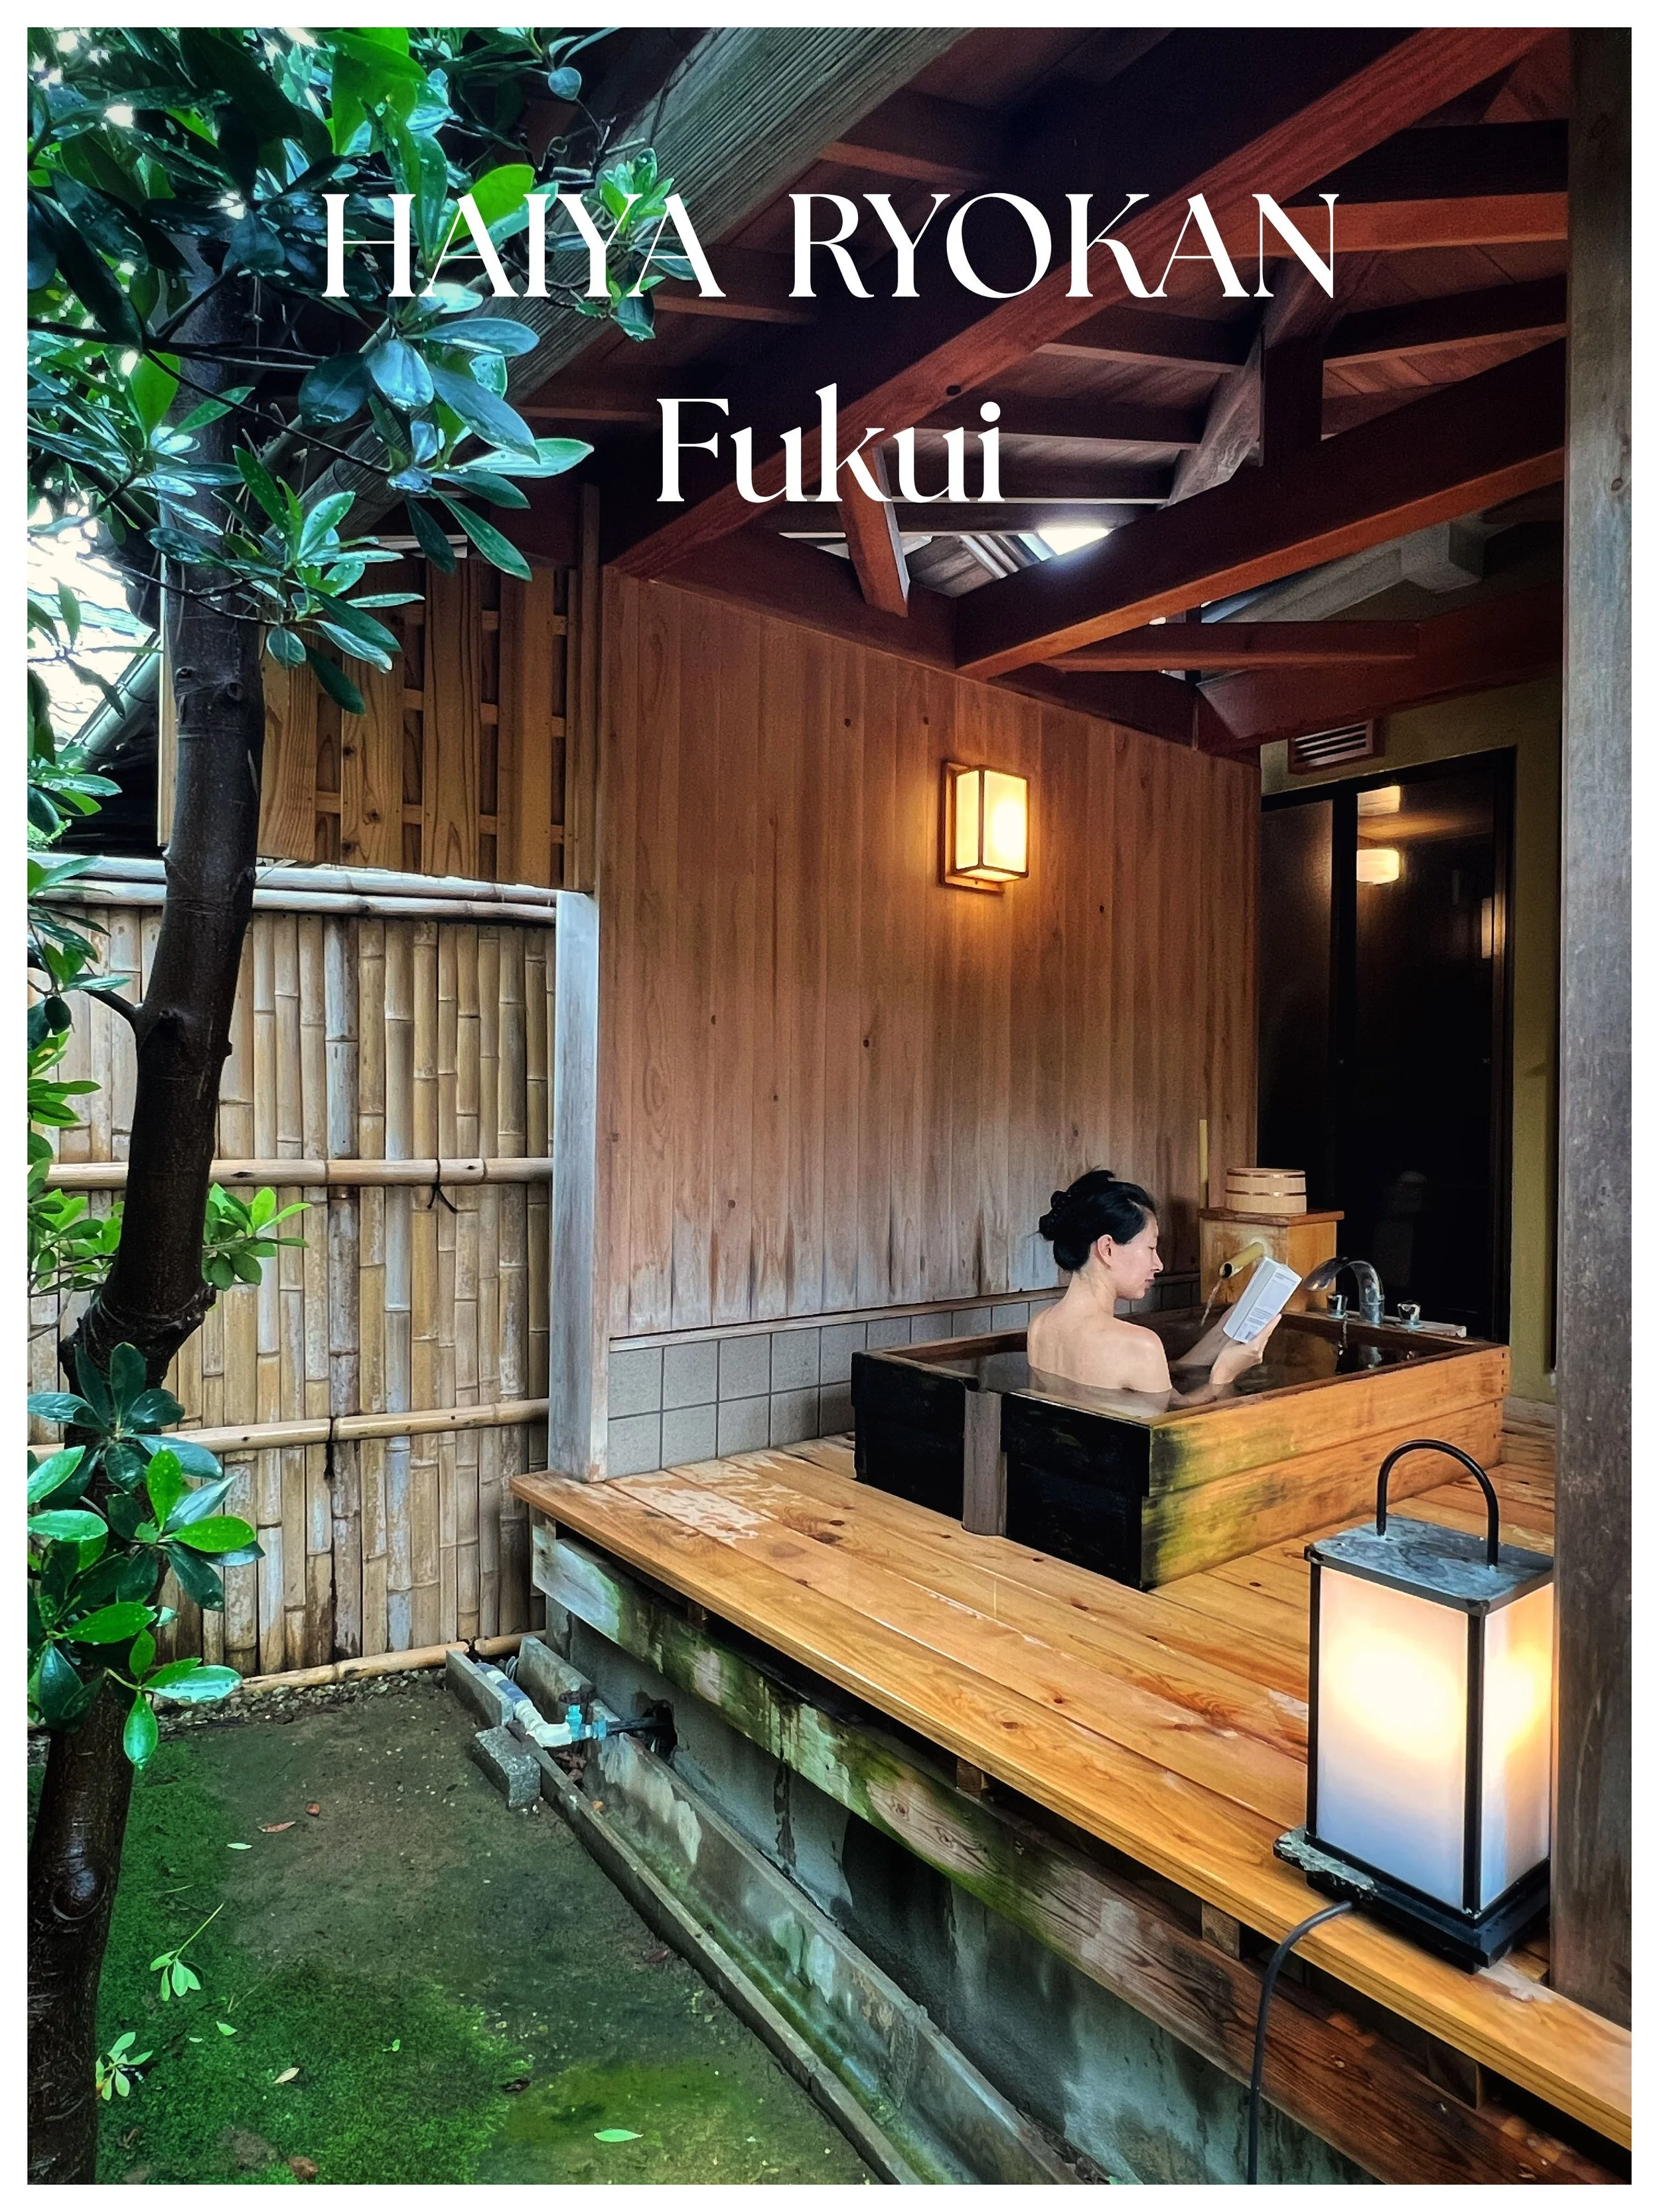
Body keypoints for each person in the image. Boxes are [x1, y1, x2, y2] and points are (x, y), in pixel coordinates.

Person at [1027, 1169, 1279, 1401]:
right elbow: (1176, 1421)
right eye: (1151, 1248)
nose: (1158, 1264)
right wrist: (1224, 1376)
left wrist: (1226, 1330)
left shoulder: (1040, 1326)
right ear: (1107, 1249)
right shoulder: (1139, 1346)